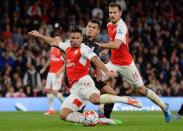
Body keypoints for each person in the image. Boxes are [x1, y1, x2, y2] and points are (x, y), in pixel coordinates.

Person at [28, 27, 143, 125]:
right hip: (75, 90)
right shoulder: (67, 47)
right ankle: (92, 120)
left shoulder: (84, 49)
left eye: (77, 38)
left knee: (96, 100)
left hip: (84, 81)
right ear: (69, 39)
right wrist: (39, 35)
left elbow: (95, 60)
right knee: (63, 114)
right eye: (72, 38)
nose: (74, 40)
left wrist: (106, 70)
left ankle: (126, 100)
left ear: (81, 39)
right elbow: (53, 42)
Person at [97, 3, 172, 122]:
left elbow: (116, 45)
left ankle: (164, 107)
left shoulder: (122, 26)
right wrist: (107, 48)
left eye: (114, 12)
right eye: (110, 12)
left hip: (126, 64)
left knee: (141, 89)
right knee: (99, 79)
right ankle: (101, 111)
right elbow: (113, 42)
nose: (112, 15)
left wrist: (100, 45)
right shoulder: (109, 25)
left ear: (120, 13)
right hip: (113, 63)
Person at [40, 40, 65, 115]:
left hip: (57, 74)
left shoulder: (63, 50)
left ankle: (66, 106)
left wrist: (59, 72)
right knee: (48, 90)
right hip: (50, 72)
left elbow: (66, 63)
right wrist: (44, 68)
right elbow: (50, 59)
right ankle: (51, 110)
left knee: (54, 91)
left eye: (58, 39)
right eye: (55, 39)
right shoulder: (52, 49)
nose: (56, 40)